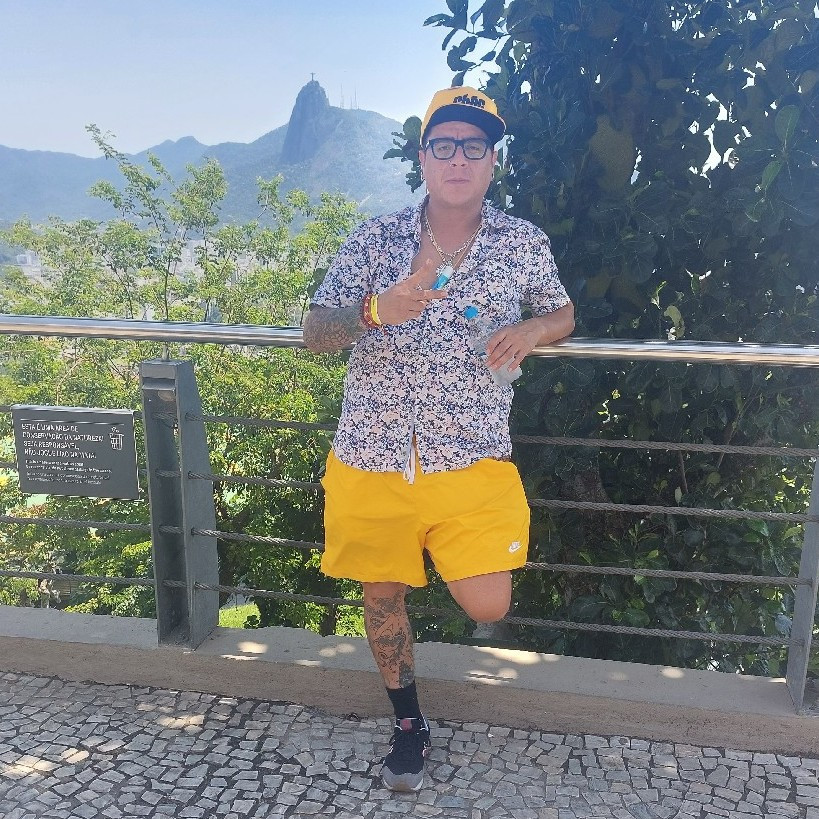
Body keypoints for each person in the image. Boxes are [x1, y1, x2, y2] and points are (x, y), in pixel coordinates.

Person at [302, 86, 574, 792]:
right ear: (422, 158)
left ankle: (434, 560)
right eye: (444, 144)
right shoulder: (375, 238)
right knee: (381, 595)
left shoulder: (521, 243)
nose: (458, 159)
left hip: (470, 452)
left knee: (488, 602)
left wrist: (533, 329)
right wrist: (376, 308)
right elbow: (315, 332)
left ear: (492, 161)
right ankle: (408, 724)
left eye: (473, 146)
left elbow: (562, 312)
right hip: (373, 451)